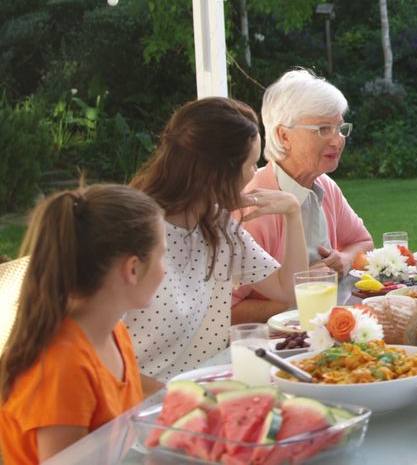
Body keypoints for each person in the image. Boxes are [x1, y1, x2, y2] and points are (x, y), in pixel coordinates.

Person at [126, 97, 306, 382]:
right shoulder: (131, 233)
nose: (256, 173)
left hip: (207, 382)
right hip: (140, 402)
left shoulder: (217, 223)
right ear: (216, 173)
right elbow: (97, 358)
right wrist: (172, 395)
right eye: (251, 164)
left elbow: (289, 291)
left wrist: (293, 213)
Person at [0, 185, 165, 462]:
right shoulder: (62, 369)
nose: (165, 268)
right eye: (162, 255)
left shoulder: (113, 332)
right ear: (132, 268)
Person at [232, 69, 375, 324]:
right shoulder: (253, 206)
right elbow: (227, 310)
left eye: (340, 127)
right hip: (274, 345)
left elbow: (363, 242)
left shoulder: (324, 186)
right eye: (323, 129)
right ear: (283, 135)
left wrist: (344, 259)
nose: (337, 140)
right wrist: (298, 293)